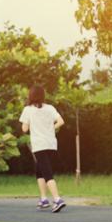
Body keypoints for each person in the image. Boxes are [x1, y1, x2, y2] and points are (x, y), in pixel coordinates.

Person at [19, 85, 66, 213]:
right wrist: (51, 128)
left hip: (39, 144)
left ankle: (57, 199)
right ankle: (44, 199)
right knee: (39, 169)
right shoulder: (50, 108)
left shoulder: (28, 109)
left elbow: (24, 129)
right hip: (51, 143)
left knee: (46, 171)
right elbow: (61, 121)